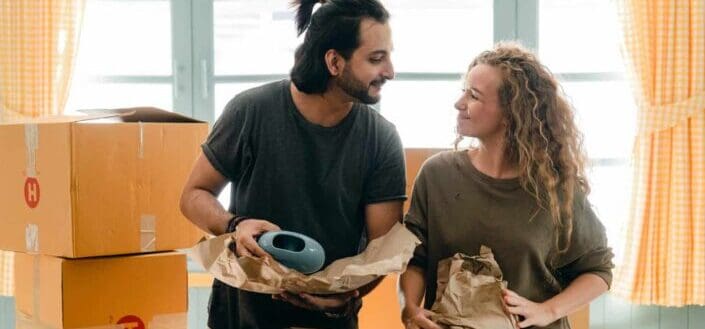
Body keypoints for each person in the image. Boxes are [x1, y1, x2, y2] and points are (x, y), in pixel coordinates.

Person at [179, 1, 406, 328]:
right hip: (240, 317)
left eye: (388, 56)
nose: (390, 71)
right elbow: (192, 195)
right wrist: (235, 225)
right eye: (376, 58)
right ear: (334, 61)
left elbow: (381, 251)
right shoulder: (251, 111)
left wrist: (344, 298)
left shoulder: (381, 139)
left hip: (328, 321)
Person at [398, 43, 614, 329]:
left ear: (512, 112)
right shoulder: (437, 175)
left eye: (473, 96)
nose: (459, 103)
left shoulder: (554, 187)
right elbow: (414, 259)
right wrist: (410, 310)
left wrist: (548, 311)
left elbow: (598, 271)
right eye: (464, 90)